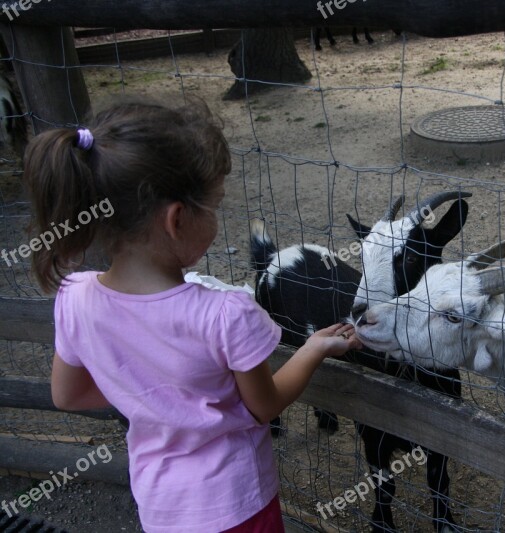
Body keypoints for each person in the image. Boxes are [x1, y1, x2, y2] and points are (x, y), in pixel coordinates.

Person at [24, 98, 361, 532]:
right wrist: (314, 349)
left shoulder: (74, 297)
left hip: (160, 506)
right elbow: (265, 407)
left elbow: (67, 396)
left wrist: (149, 395)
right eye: (214, 205)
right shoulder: (225, 314)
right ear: (177, 219)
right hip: (237, 505)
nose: (217, 218)